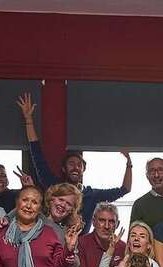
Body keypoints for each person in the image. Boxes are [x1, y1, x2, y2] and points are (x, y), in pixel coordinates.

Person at [17, 92, 132, 233]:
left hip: (80, 246)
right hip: (51, 240)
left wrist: (129, 163)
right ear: (64, 169)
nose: (76, 167)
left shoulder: (91, 194)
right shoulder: (54, 186)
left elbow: (125, 189)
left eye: (79, 165)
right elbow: (37, 154)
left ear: (83, 169)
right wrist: (28, 119)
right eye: (71, 164)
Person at [0, 186, 79, 267]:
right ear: (17, 203)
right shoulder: (0, 233)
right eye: (25, 200)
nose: (29, 206)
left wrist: (69, 250)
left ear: (40, 208)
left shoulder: (50, 233)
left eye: (35, 202)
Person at [72, 203, 127, 267]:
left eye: (111, 222)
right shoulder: (81, 244)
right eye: (102, 220)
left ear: (117, 224)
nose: (106, 226)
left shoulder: (123, 247)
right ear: (93, 222)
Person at [97, 221, 163, 267]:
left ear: (149, 245)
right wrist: (111, 247)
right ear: (128, 243)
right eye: (133, 235)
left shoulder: (152, 265)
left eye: (142, 236)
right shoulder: (124, 262)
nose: (136, 238)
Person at [130, 157, 163, 228]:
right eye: (152, 171)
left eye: (160, 170)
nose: (156, 175)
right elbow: (133, 235)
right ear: (147, 176)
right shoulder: (139, 204)